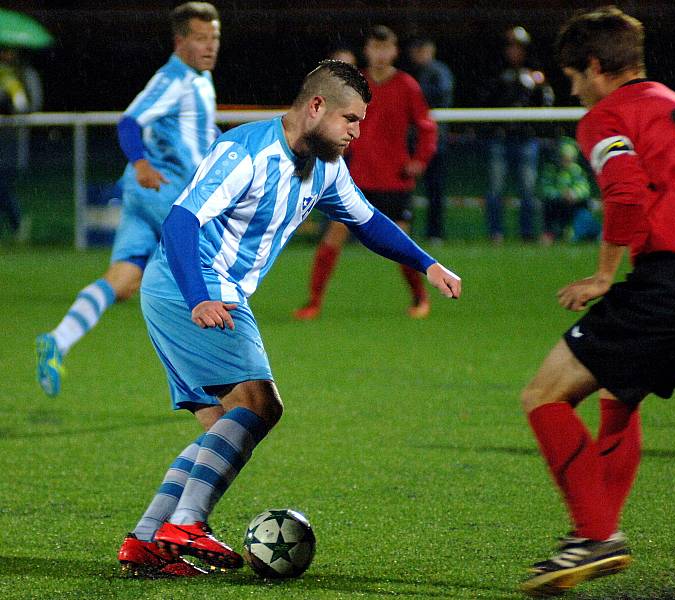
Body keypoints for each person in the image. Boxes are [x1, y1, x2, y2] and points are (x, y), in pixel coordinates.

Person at [115, 59, 460, 577]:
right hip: (195, 285)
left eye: (361, 121)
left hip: (205, 291)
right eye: (350, 119)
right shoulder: (246, 151)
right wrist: (197, 298)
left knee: (223, 426)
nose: (356, 132)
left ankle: (146, 541)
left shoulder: (325, 166)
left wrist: (426, 263)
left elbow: (366, 220)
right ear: (316, 106)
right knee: (260, 403)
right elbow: (184, 219)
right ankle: (186, 523)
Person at [518, 7, 675, 596]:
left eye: (573, 77)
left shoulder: (607, 115)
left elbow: (624, 191)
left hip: (671, 285)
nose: (573, 91)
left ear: (596, 67)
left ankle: (596, 536)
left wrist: (602, 276)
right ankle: (595, 533)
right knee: (620, 397)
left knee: (544, 396)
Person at [35, 2, 221, 397]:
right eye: (201, 38)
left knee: (122, 281)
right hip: (166, 195)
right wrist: (140, 162)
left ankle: (58, 339)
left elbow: (195, 134)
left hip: (144, 195)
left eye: (214, 38)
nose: (210, 46)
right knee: (202, 276)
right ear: (180, 41)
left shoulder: (197, 78)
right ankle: (208, 382)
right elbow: (130, 121)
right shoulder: (174, 79)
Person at [293, 25, 437, 320]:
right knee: (333, 237)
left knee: (401, 246)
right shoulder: (356, 86)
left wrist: (419, 160)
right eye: (375, 48)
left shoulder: (407, 85)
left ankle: (420, 298)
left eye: (386, 48)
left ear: (394, 51)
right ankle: (314, 303)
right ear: (367, 50)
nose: (381, 54)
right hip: (357, 177)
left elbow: (426, 128)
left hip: (394, 179)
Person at [484, 25, 554, 244]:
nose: (515, 51)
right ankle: (495, 233)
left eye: (519, 47)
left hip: (525, 137)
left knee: (527, 190)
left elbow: (546, 103)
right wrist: (507, 83)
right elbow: (486, 99)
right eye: (511, 46)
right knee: (495, 188)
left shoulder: (535, 71)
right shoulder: (495, 71)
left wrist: (536, 86)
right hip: (501, 137)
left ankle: (526, 234)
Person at [407, 37, 454, 242]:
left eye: (422, 49)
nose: (418, 54)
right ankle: (406, 228)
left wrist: (415, 96)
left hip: (434, 140)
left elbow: (438, 95)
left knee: (434, 188)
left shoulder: (438, 72)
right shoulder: (411, 72)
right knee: (406, 188)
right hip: (414, 140)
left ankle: (435, 232)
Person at [0, 47, 36, 241]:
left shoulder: (16, 79)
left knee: (3, 187)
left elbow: (23, 106)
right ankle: (16, 225)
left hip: (8, 144)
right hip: (7, 143)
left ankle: (17, 225)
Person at [539, 136, 599, 244]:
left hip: (574, 202)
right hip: (557, 202)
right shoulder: (551, 170)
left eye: (568, 159)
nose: (565, 161)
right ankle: (549, 233)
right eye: (563, 158)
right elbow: (545, 189)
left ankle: (574, 231)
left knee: (583, 207)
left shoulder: (577, 170)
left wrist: (573, 194)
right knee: (548, 205)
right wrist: (560, 194)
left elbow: (585, 188)